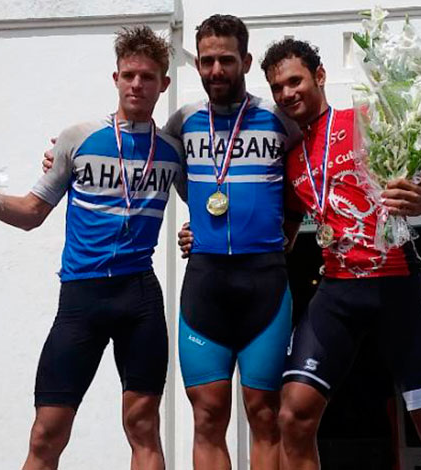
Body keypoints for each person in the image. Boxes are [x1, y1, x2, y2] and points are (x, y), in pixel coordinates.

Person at [0, 26, 183, 470]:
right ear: (115, 78)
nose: (137, 84)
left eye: (148, 77)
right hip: (81, 299)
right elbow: (32, 213)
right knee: (47, 432)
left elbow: (209, 200)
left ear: (163, 84)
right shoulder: (78, 138)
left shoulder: (171, 149)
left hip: (140, 298)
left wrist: (198, 236)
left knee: (144, 426)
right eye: (129, 74)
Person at [260, 39, 421, 470]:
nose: (287, 94)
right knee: (293, 415)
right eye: (277, 87)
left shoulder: (368, 120)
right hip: (338, 293)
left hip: (395, 287)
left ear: (319, 76)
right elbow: (280, 233)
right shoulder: (289, 158)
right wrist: (207, 232)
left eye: (295, 81)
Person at [163, 15, 301, 469]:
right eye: (207, 61)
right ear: (197, 64)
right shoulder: (182, 123)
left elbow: (308, 178)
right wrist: (58, 154)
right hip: (206, 282)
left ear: (245, 60)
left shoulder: (279, 120)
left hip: (264, 281)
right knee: (206, 416)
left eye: (226, 60)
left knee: (265, 415)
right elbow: (142, 154)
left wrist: (293, 228)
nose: (216, 70)